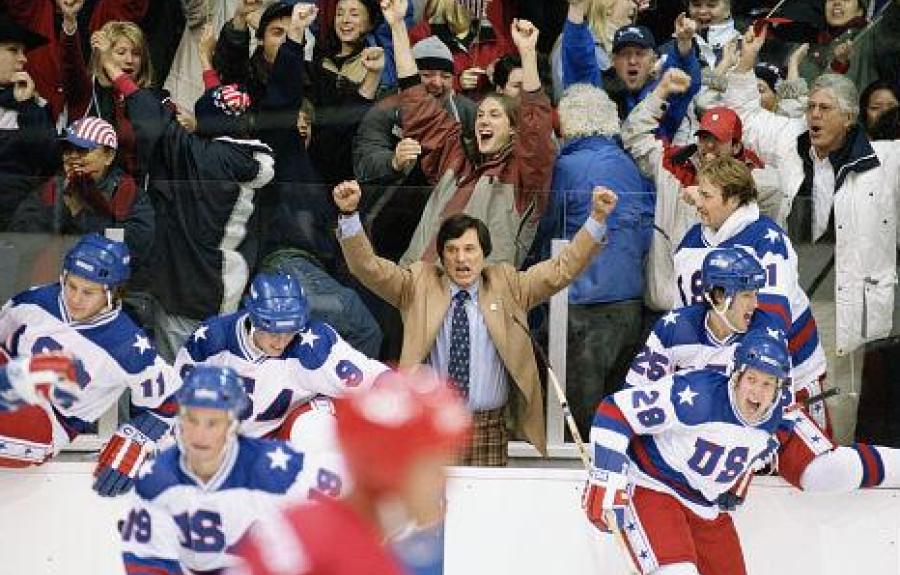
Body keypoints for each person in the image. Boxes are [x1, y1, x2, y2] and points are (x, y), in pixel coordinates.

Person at [335, 178, 617, 465]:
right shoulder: (418, 284)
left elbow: (561, 268)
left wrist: (596, 219)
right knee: (433, 509)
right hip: (433, 424)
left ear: (484, 254)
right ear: (442, 257)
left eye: (470, 249)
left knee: (489, 509)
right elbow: (368, 269)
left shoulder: (508, 285)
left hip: (489, 428)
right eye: (452, 250)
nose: (461, 258)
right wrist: (348, 216)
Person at [584, 330, 900, 575]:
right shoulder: (695, 396)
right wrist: (605, 479)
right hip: (652, 486)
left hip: (705, 507)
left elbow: (823, 468)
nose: (757, 392)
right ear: (735, 376)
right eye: (751, 379)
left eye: (767, 384)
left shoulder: (778, 417)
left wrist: (733, 483)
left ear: (779, 390)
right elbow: (615, 412)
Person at [725, 25, 900, 358]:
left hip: (852, 301)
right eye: (811, 107)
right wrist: (745, 65)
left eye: (825, 108)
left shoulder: (885, 159)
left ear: (849, 117)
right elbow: (744, 118)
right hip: (798, 291)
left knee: (843, 400)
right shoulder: (792, 139)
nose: (814, 115)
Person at [107, 44, 276, 360]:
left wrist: (114, 71)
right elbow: (222, 110)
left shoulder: (200, 156)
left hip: (191, 292)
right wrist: (204, 63)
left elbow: (153, 123)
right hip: (227, 280)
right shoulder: (248, 155)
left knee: (185, 379)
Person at [236, 369, 471, 575]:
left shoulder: (312, 530)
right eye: (433, 467)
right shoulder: (316, 545)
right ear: (389, 469)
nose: (443, 480)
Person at [121, 365, 345, 575]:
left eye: (213, 422)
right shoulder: (156, 480)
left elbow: (350, 510)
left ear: (233, 424)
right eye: (192, 420)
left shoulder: (280, 470)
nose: (200, 434)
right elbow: (146, 562)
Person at [0, 234, 179, 495]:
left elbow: (172, 402)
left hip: (44, 424)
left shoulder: (128, 347)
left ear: (113, 292)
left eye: (88, 292)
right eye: (71, 286)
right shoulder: (35, 301)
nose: (75, 299)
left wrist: (139, 439)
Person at [386, 0, 555, 268]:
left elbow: (537, 129)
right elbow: (417, 105)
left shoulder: (524, 175)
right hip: (422, 289)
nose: (483, 121)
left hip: (481, 298)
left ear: (514, 129)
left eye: (494, 115)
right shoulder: (456, 160)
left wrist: (528, 54)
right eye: (480, 115)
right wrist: (396, 26)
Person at [672, 156, 832, 433]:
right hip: (725, 379)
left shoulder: (766, 240)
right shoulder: (690, 242)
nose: (698, 202)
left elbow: (773, 318)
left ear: (733, 200)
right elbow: (683, 317)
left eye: (707, 195)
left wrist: (749, 377)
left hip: (786, 373)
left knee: (802, 461)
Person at [540, 81, 651, 440]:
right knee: (616, 417)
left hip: (581, 304)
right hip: (630, 299)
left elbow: (546, 229)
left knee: (580, 426)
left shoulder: (568, 168)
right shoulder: (628, 164)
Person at [174, 271, 388, 450]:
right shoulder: (213, 339)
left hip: (283, 436)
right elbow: (174, 399)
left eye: (290, 332)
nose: (281, 342)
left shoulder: (313, 345)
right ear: (254, 318)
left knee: (314, 428)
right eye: (273, 332)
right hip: (226, 445)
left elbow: (375, 378)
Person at [620, 68, 776, 311]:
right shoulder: (672, 164)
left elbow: (775, 191)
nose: (709, 146)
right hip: (670, 305)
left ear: (736, 146)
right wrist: (660, 93)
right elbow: (634, 135)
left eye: (718, 139)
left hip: (726, 312)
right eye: (704, 137)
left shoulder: (755, 176)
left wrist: (715, 189)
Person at [353, 35, 476, 263]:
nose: (437, 83)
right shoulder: (385, 110)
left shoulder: (469, 113)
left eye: (445, 76)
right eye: (427, 75)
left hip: (448, 224)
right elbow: (363, 162)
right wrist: (393, 161)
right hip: (388, 225)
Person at [9, 116, 154, 267]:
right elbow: (20, 239)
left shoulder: (129, 195)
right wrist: (63, 210)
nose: (72, 156)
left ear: (109, 156)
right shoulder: (49, 190)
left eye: (83, 149)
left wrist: (83, 211)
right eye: (67, 150)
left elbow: (133, 249)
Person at [560, 2, 702, 141]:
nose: (632, 61)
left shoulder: (664, 94)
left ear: (653, 61)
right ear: (613, 61)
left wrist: (684, 43)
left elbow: (684, 80)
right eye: (624, 54)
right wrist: (576, 9)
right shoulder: (601, 94)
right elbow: (580, 67)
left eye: (639, 54)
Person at [0, 14, 58, 231]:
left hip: (14, 228)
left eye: (23, 52)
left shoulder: (33, 104)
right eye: (13, 50)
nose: (24, 59)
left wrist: (26, 107)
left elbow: (50, 161)